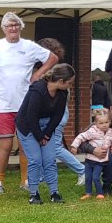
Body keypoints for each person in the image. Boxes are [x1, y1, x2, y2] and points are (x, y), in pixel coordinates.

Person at [0, 12, 58, 194]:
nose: (13, 28)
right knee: (6, 144)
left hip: (26, 102)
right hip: (2, 103)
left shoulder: (29, 46)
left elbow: (52, 58)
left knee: (25, 144)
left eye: (16, 25)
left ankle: (26, 180)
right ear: (3, 28)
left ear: (21, 27)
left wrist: (38, 74)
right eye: (9, 25)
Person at [15, 64, 75, 204]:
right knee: (35, 160)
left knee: (49, 159)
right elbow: (31, 116)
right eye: (70, 83)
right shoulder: (38, 90)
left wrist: (46, 134)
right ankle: (34, 193)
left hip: (47, 126)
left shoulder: (62, 93)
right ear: (61, 81)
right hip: (28, 127)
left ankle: (54, 192)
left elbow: (58, 116)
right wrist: (39, 136)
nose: (70, 86)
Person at [36, 37, 86, 186]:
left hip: (58, 113)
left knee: (55, 147)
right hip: (55, 113)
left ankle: (82, 170)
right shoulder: (53, 70)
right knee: (44, 146)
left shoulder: (55, 72)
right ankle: (42, 177)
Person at [71, 108, 112, 199]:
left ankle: (100, 193)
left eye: (106, 122)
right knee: (88, 177)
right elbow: (81, 137)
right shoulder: (92, 131)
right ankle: (88, 193)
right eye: (101, 123)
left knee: (96, 177)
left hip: (100, 161)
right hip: (89, 160)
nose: (104, 125)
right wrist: (74, 146)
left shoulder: (111, 133)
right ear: (96, 124)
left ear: (110, 122)